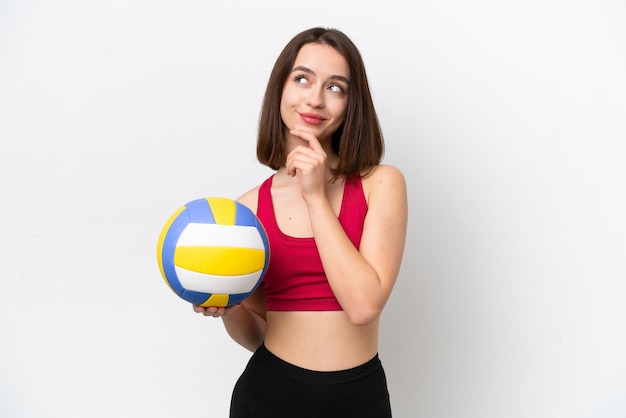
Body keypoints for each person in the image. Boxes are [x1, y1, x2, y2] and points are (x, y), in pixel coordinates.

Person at [193, 27, 408, 417]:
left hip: (358, 399)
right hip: (268, 395)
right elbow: (258, 337)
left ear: (351, 104)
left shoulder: (381, 184)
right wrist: (228, 303)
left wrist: (315, 196)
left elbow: (363, 306)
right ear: (281, 89)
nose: (315, 98)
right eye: (303, 79)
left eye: (336, 87)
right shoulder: (247, 211)